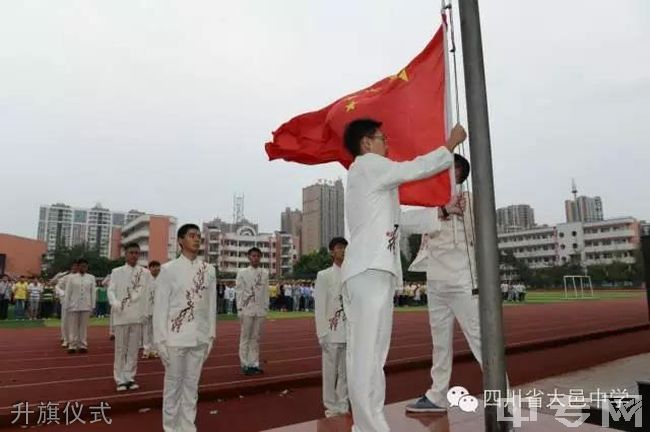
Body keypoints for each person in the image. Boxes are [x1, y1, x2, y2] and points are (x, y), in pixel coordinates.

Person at [341, 118, 466, 432]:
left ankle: (368, 425)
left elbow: (399, 221)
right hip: (368, 270)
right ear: (366, 143)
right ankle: (370, 426)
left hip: (376, 271)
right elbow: (412, 168)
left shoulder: (374, 180)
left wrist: (441, 211)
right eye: (382, 138)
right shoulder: (367, 166)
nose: (387, 144)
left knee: (373, 356)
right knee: (367, 355)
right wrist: (448, 146)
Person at [402, 154, 509, 413]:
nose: (448, 171)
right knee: (439, 344)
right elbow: (402, 223)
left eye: (453, 167)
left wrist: (462, 211)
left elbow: (483, 233)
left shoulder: (470, 200)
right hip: (436, 280)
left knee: (480, 339)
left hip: (463, 279)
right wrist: (441, 209)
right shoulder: (430, 202)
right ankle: (437, 395)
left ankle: (501, 397)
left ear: (461, 173)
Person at [154, 224, 216, 432]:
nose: (197, 239)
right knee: (173, 387)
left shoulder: (208, 270)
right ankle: (170, 428)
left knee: (191, 388)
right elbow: (161, 308)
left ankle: (188, 427)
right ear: (180, 241)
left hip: (199, 338)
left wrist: (211, 336)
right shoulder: (168, 269)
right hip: (175, 338)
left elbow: (211, 306)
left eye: (199, 236)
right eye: (191, 235)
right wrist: (161, 341)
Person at [108, 243, 153, 391]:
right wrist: (114, 303)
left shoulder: (145, 273)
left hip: (137, 315)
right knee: (121, 349)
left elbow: (147, 294)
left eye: (136, 253)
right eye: (131, 252)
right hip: (121, 315)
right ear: (125, 254)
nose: (134, 255)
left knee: (133, 349)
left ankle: (129, 377)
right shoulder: (117, 271)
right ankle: (120, 378)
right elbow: (111, 290)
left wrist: (145, 313)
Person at [315, 237, 350, 417]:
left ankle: (343, 403)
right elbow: (320, 306)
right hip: (331, 330)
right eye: (339, 247)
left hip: (348, 331)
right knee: (330, 373)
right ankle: (331, 405)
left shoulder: (352, 274)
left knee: (345, 372)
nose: (342, 250)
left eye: (344, 247)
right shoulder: (324, 275)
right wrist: (322, 333)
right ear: (331, 252)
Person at [236, 247, 269, 375]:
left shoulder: (264, 273)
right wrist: (239, 308)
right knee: (245, 337)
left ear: (260, 257)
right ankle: (244, 364)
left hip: (259, 310)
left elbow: (265, 292)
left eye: (257, 256)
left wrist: (265, 307)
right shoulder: (242, 272)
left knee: (255, 338)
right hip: (246, 309)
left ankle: (254, 363)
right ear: (249, 257)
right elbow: (239, 292)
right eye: (253, 256)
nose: (255, 258)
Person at [66, 258, 96, 354]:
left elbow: (93, 292)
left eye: (85, 266)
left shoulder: (91, 277)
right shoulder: (71, 278)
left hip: (86, 305)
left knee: (83, 327)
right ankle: (72, 345)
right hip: (74, 305)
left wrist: (93, 305)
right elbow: (68, 292)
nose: (83, 268)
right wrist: (67, 305)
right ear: (78, 266)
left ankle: (82, 344)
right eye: (81, 266)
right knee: (73, 326)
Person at [55, 262, 78, 348]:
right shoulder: (66, 277)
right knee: (65, 320)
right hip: (66, 301)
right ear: (72, 267)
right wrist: (63, 294)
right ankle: (65, 339)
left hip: (77, 302)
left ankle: (74, 338)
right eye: (74, 266)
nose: (76, 268)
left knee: (75, 321)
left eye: (77, 266)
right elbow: (57, 286)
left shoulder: (82, 277)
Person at [142, 260, 161, 359]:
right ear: (149, 268)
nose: (155, 269)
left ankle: (155, 350)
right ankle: (146, 349)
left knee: (156, 331)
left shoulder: (163, 280)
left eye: (157, 267)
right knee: (146, 330)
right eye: (153, 267)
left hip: (158, 310)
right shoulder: (145, 280)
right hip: (147, 308)